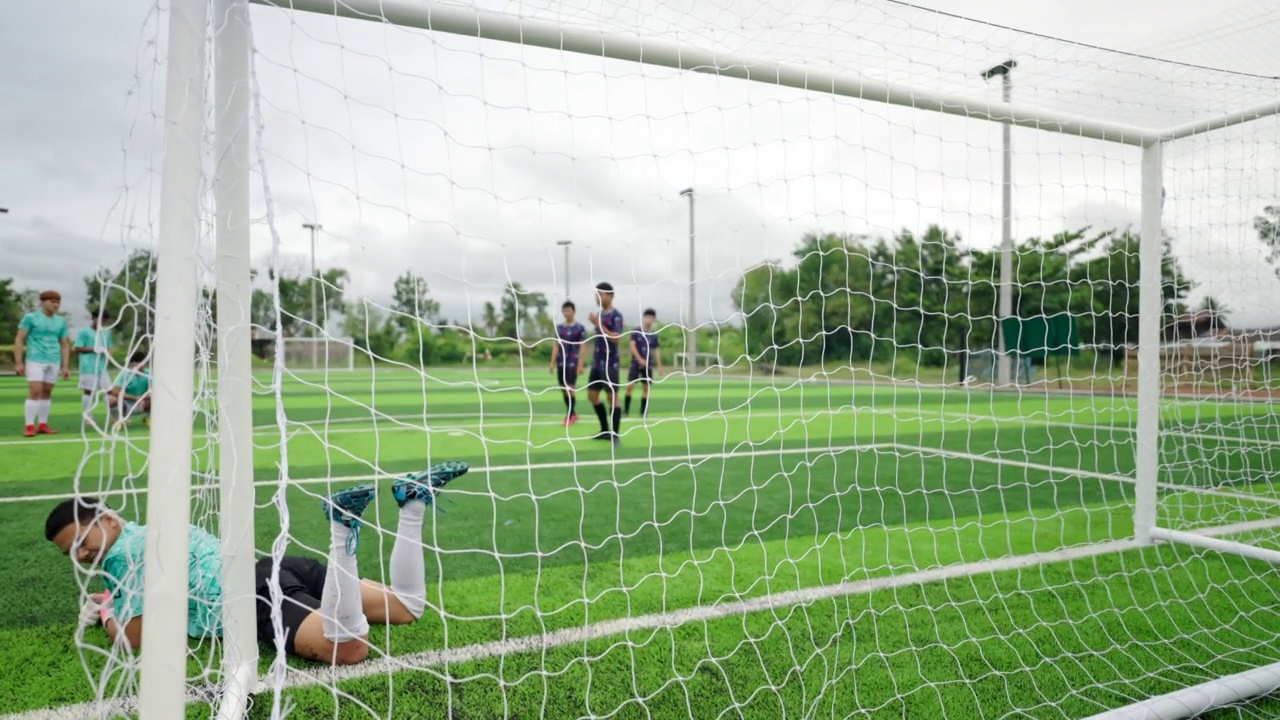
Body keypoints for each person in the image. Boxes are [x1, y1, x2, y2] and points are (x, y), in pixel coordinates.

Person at [47, 461, 469, 664]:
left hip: (252, 595)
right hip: (281, 568)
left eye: (83, 542)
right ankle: (412, 502)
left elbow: (132, 638)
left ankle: (342, 531)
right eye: (73, 553)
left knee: (352, 649)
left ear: (106, 520)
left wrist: (105, 611)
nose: (83, 555)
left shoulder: (122, 559)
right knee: (407, 608)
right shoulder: (147, 528)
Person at [14, 290, 71, 437]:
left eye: (57, 302)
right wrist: (18, 362)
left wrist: (65, 366)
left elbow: (64, 344)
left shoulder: (61, 321)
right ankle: (29, 425)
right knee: (35, 390)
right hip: (35, 358)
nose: (55, 304)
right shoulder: (31, 318)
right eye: (52, 301)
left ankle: (43, 425)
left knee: (47, 391)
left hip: (53, 359)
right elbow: (20, 339)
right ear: (43, 302)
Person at [586, 282, 625, 445]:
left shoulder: (616, 316)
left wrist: (597, 324)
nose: (597, 297)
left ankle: (615, 435)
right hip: (597, 362)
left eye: (600, 294)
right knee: (592, 395)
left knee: (612, 398)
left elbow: (616, 339)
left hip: (610, 363)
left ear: (609, 295)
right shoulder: (599, 314)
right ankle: (604, 430)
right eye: (596, 294)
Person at [74, 309, 114, 428]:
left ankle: (114, 417)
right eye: (101, 320)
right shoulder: (84, 332)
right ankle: (88, 417)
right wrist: (94, 349)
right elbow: (77, 348)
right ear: (94, 318)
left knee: (109, 391)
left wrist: (108, 354)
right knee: (89, 391)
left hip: (102, 367)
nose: (103, 322)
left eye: (105, 321)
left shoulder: (106, 333)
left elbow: (109, 347)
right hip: (88, 366)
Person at [550, 300, 586, 427]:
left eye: (568, 310)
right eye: (564, 311)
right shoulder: (560, 328)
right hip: (561, 362)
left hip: (573, 362)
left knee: (570, 388)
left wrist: (581, 364)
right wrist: (552, 362)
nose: (566, 313)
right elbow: (556, 345)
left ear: (573, 311)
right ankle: (573, 413)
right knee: (563, 389)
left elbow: (583, 346)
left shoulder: (580, 328)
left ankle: (570, 415)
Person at [624, 309, 662, 418]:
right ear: (644, 318)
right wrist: (639, 358)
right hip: (636, 363)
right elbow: (632, 346)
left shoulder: (654, 335)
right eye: (647, 317)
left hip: (648, 365)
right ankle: (626, 411)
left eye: (651, 318)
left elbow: (657, 351)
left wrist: (659, 366)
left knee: (646, 388)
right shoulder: (636, 331)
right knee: (630, 386)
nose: (649, 320)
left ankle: (643, 411)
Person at [107, 352, 152, 429]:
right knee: (112, 400)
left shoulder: (148, 373)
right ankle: (118, 419)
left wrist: (146, 395)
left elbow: (156, 389)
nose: (139, 365)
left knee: (156, 398)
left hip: (142, 402)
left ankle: (148, 417)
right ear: (131, 363)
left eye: (141, 362)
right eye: (135, 362)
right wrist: (134, 398)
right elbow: (114, 391)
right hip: (127, 403)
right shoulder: (125, 374)